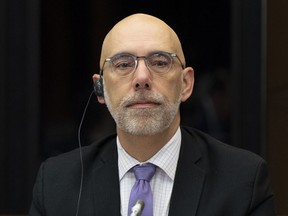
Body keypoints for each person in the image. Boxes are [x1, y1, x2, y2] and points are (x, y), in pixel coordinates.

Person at [29, 13, 276, 216]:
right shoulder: (56, 184)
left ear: (186, 84)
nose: (142, 78)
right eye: (124, 64)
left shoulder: (243, 181)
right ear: (100, 88)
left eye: (159, 62)